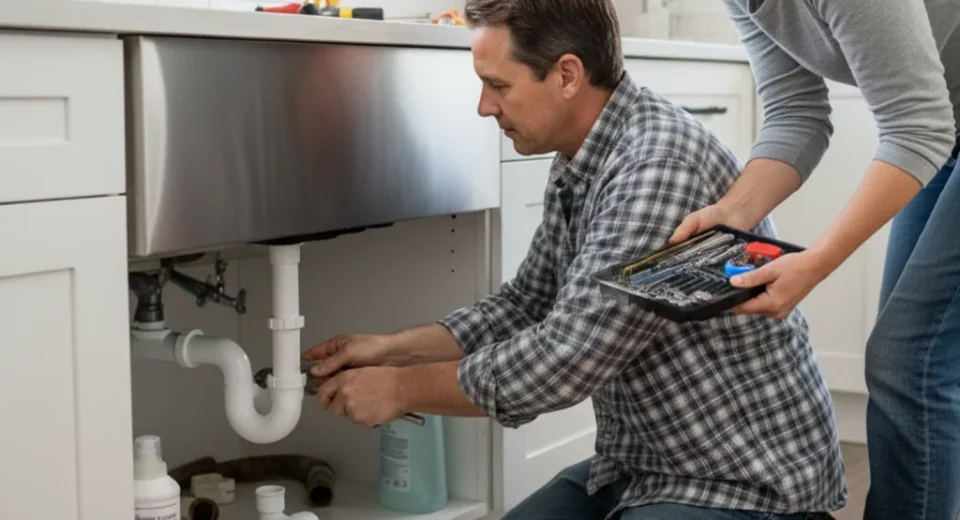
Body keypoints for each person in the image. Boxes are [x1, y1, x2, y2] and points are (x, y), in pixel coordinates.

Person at [302, 0, 847, 518]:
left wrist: (399, 390)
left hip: (742, 480)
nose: (484, 106)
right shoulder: (584, 155)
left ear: (567, 75)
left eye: (499, 85)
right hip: (642, 465)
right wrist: (392, 351)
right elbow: (527, 305)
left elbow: (567, 358)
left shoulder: (654, 165)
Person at [665, 2, 960, 519]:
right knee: (911, 365)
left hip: (933, 124)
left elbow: (917, 126)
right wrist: (731, 213)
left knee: (910, 362)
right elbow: (796, 111)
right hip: (947, 122)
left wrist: (817, 262)